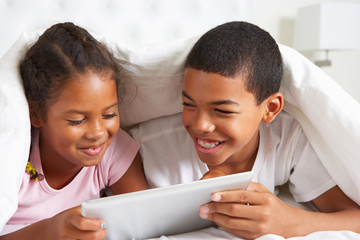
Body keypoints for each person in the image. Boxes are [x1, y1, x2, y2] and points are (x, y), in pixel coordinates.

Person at [130, 21, 360, 239]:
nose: (200, 125)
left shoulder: (286, 139)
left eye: (222, 111)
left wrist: (290, 221)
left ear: (270, 109)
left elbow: (354, 218)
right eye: (188, 105)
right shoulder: (148, 146)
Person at [0, 22, 148, 240]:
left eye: (109, 115)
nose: (98, 132)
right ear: (36, 114)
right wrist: (49, 231)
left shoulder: (114, 149)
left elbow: (145, 218)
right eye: (77, 120)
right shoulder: (12, 162)